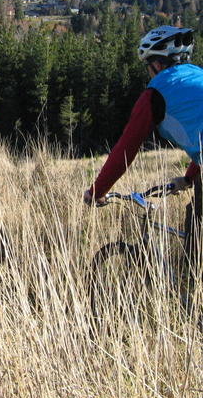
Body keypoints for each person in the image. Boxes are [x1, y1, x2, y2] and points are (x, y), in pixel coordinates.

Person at [83, 26, 203, 273]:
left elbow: (125, 150)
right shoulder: (197, 77)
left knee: (197, 246)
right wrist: (190, 177)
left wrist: (97, 191)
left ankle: (193, 295)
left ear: (156, 65)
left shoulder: (155, 94)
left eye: (147, 66)